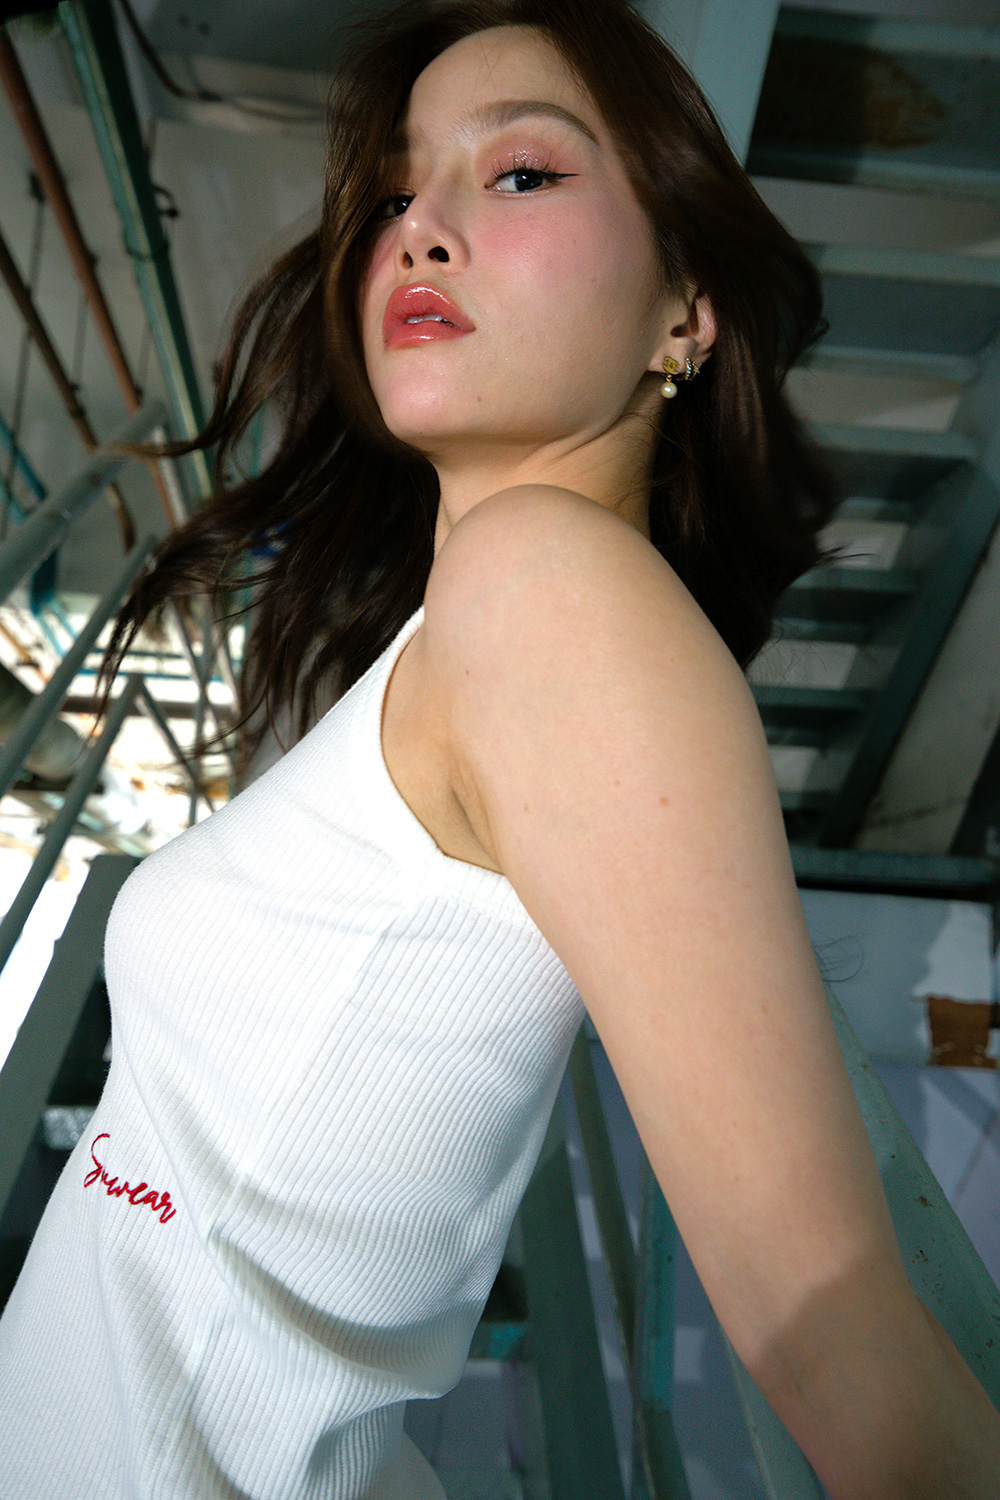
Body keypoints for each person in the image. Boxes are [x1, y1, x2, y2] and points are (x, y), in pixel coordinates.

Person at [1, 2, 998, 1496]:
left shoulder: (551, 590)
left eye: (521, 172)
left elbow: (845, 1343)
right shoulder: (476, 625)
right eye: (399, 191)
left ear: (686, 313)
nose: (419, 229)